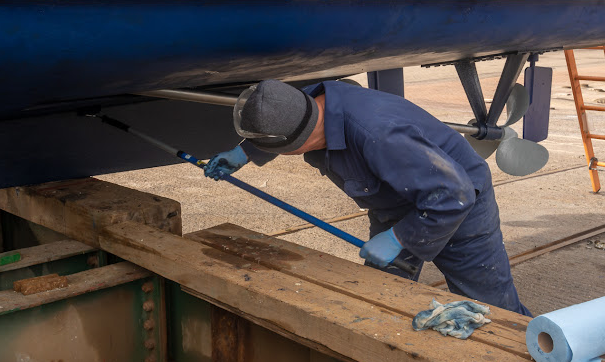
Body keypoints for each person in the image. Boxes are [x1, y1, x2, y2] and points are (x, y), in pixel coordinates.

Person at [204, 79, 531, 316]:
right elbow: (283, 109)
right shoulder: (316, 101)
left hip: (455, 205)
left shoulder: (379, 135)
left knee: (491, 312)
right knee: (380, 298)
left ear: (299, 144)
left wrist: (399, 238)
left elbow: (454, 195)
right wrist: (244, 152)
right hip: (396, 200)